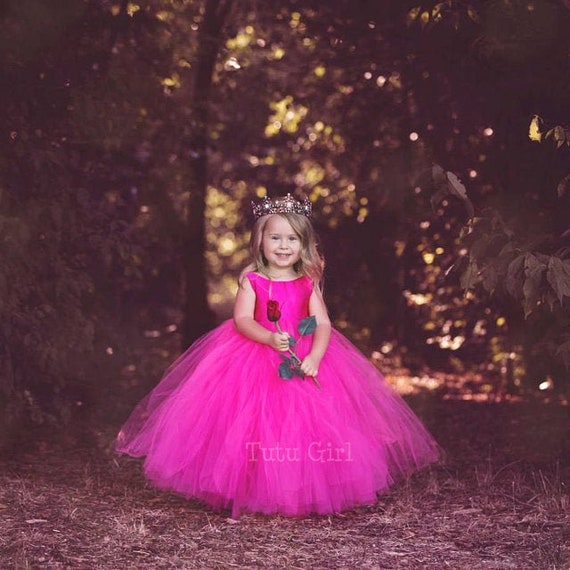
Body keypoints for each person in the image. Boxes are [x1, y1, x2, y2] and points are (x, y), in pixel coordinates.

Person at [116, 193, 441, 518]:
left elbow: (323, 323)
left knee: (307, 423)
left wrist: (314, 355)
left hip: (301, 352)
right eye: (275, 237)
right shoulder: (253, 280)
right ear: (261, 241)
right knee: (249, 421)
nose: (283, 246)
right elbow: (242, 320)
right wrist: (269, 337)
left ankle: (301, 486)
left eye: (292, 239)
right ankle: (244, 486)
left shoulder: (306, 281)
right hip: (255, 353)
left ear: (304, 245)